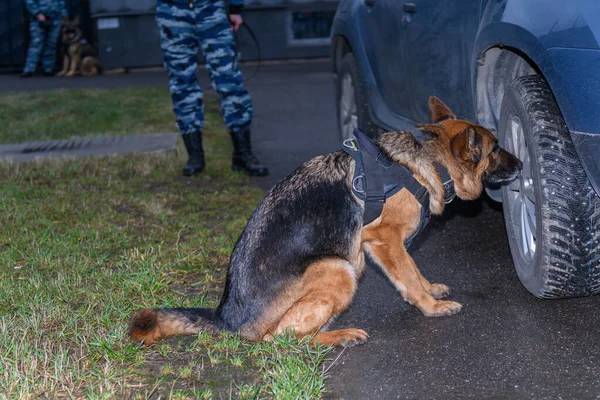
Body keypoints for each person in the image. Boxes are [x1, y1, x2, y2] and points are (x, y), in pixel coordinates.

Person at [156, 0, 269, 177]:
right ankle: (195, 156)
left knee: (230, 80)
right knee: (182, 83)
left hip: (211, 9)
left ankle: (242, 154)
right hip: (172, 10)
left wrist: (235, 7)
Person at [21, 0, 67, 78]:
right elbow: (29, 2)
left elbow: (62, 2)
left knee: (51, 44)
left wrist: (64, 15)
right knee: (36, 44)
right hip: (38, 20)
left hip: (55, 19)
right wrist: (37, 13)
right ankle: (29, 69)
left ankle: (48, 68)